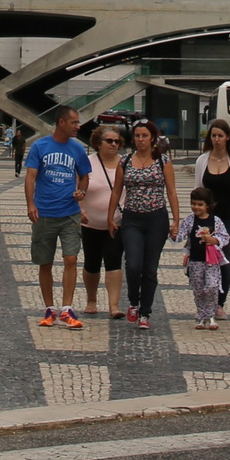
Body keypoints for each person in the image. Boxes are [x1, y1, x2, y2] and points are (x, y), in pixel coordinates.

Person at [21, 105, 91, 330]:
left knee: (71, 258)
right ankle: (49, 308)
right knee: (45, 262)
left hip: (69, 212)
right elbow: (30, 177)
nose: (77, 126)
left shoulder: (78, 149)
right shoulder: (40, 146)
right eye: (73, 123)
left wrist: (81, 192)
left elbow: (84, 177)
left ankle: (67, 308)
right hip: (44, 213)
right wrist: (31, 204)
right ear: (61, 122)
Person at [116, 120, 176, 329]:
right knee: (133, 265)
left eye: (144, 136)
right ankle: (134, 300)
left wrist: (176, 220)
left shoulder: (163, 161)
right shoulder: (124, 161)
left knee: (149, 268)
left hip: (156, 219)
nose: (140, 140)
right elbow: (117, 191)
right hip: (132, 219)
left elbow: (171, 191)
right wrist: (109, 217)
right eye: (137, 136)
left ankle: (145, 313)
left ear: (152, 138)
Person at [193, 118, 230, 316]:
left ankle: (219, 303)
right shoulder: (202, 160)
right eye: (213, 136)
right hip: (209, 219)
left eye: (220, 136)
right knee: (205, 260)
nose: (216, 139)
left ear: (227, 138)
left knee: (225, 260)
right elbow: (198, 189)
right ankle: (205, 301)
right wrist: (195, 216)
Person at [77, 123, 126, 320]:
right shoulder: (87, 163)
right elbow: (78, 190)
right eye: (109, 141)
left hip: (116, 223)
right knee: (92, 263)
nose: (113, 144)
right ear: (98, 143)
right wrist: (79, 210)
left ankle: (114, 305)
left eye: (117, 141)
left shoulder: (125, 163)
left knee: (114, 263)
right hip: (90, 223)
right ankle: (91, 300)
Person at [178, 189, 230, 330]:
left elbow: (225, 237)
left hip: (211, 261)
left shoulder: (215, 220)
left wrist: (215, 240)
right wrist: (172, 233)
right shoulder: (189, 220)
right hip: (195, 260)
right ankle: (201, 316)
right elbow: (181, 234)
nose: (196, 207)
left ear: (207, 205)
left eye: (200, 204)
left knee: (212, 287)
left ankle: (211, 314)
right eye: (193, 204)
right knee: (198, 289)